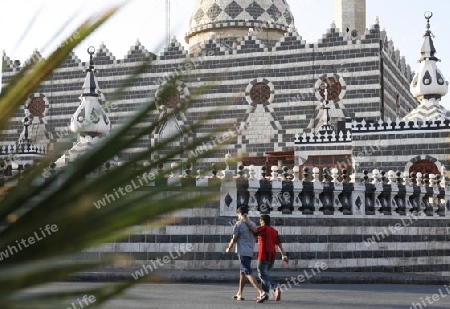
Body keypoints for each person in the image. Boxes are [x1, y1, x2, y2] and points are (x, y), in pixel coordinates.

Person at [225, 207, 269, 303]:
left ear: (240, 214)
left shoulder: (239, 224)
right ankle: (239, 294)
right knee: (243, 272)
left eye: (238, 215)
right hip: (249, 251)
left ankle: (261, 292)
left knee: (247, 272)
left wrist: (229, 247)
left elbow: (234, 238)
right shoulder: (252, 224)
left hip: (242, 252)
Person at [242, 214, 289, 301]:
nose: (259, 222)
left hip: (263, 255)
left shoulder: (263, 228)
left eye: (260, 221)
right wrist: (283, 255)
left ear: (263, 221)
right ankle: (264, 295)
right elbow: (279, 245)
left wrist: (246, 221)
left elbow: (254, 231)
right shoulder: (274, 231)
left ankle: (275, 287)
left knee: (262, 275)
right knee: (266, 275)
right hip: (272, 257)